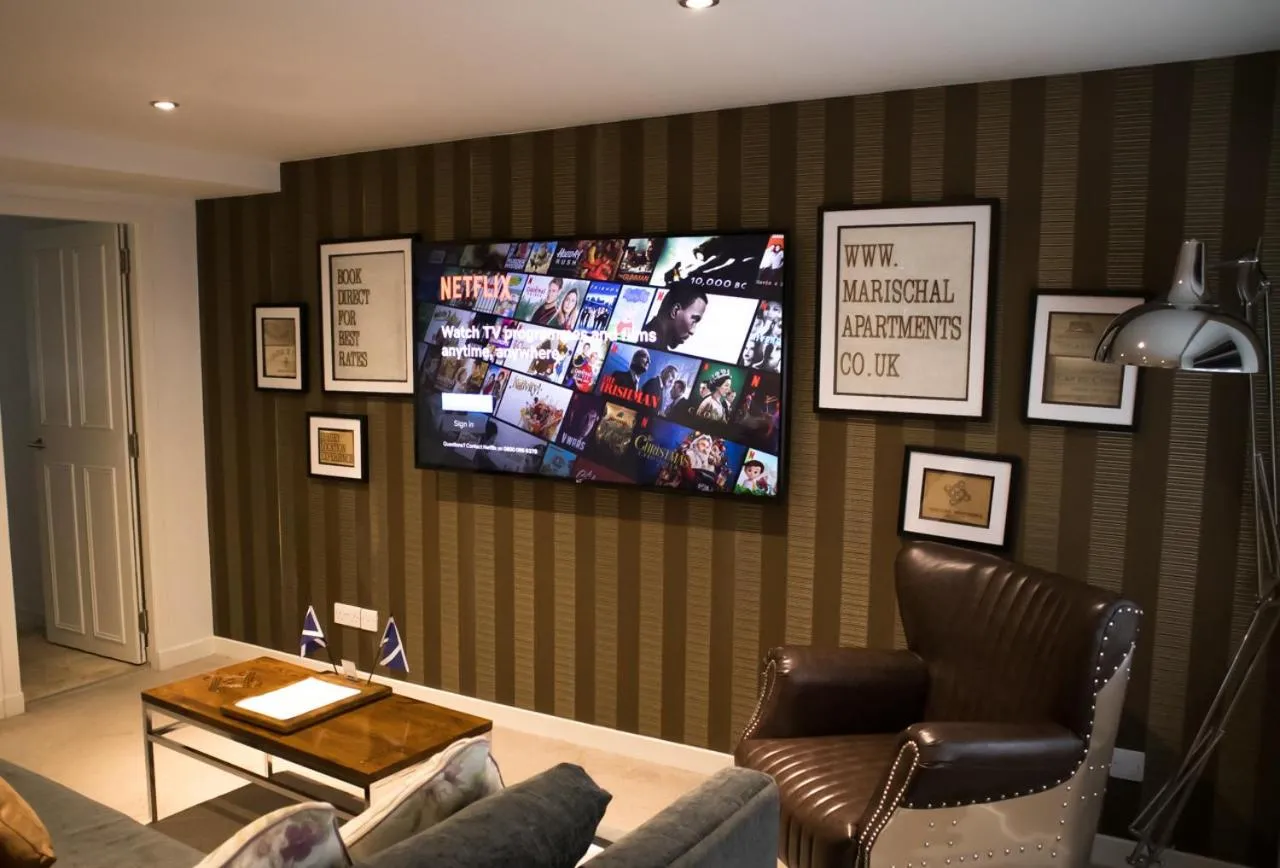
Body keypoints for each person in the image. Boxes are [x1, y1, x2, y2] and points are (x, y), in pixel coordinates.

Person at [644, 285, 708, 351]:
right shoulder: (649, 348)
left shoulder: (645, 337)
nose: (692, 331)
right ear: (675, 311)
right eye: (694, 320)